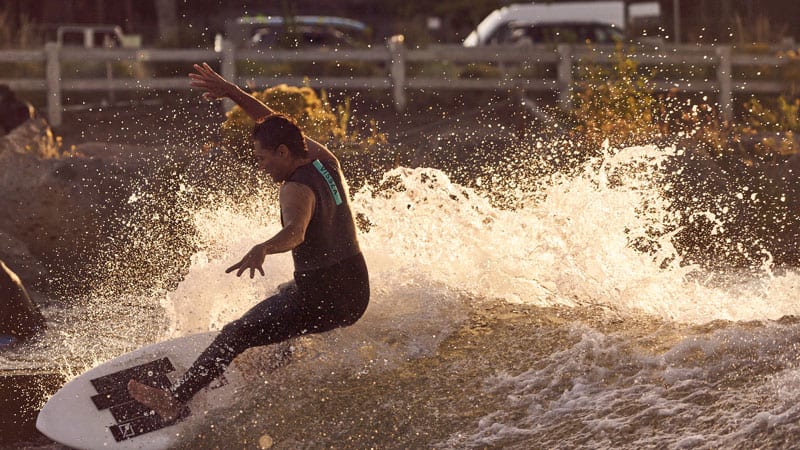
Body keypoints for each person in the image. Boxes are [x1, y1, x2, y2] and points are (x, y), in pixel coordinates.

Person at [127, 63, 370, 422]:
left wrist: (264, 248)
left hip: (324, 299)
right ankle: (279, 359)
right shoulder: (325, 163)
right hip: (355, 290)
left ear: (284, 153)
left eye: (263, 158)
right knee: (284, 299)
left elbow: (296, 233)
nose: (261, 166)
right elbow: (277, 123)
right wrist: (232, 93)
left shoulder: (294, 189)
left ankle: (175, 400)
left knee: (235, 333)